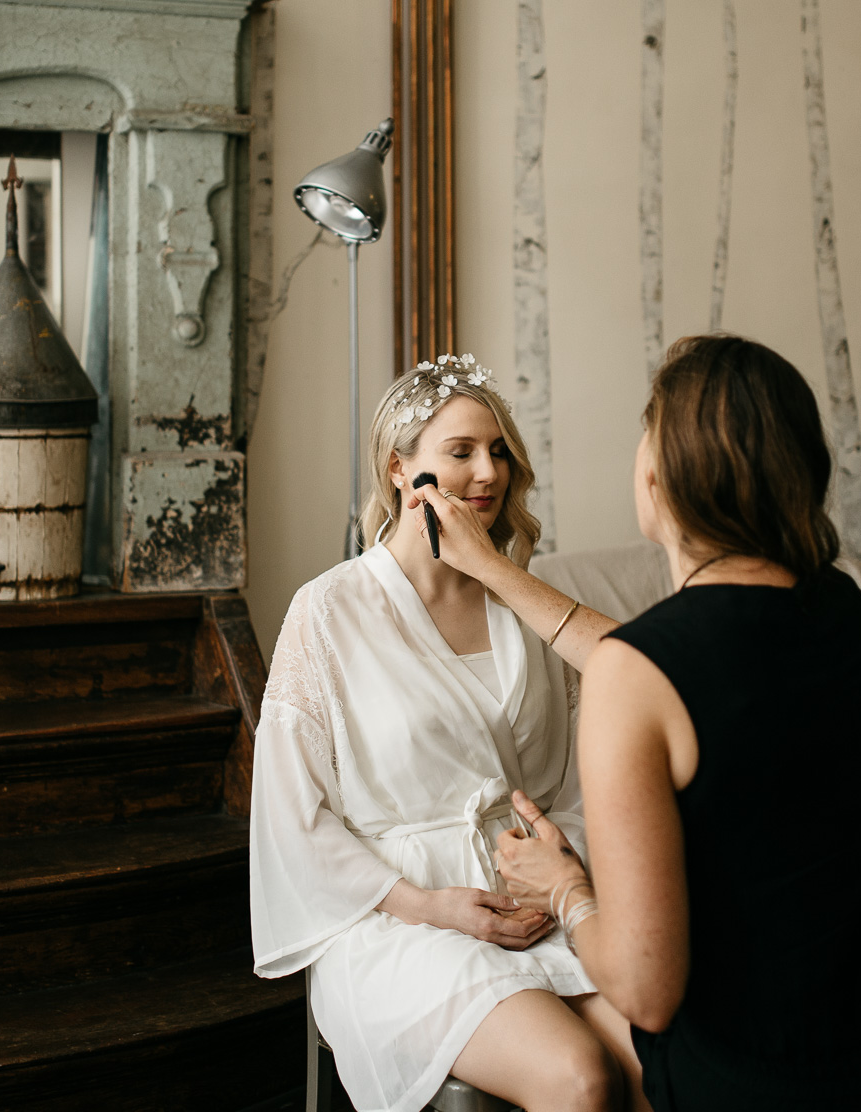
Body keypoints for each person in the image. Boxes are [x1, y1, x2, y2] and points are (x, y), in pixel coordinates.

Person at [413, 334, 861, 1111]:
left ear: (657, 479)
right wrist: (495, 570)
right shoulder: (848, 613)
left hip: (799, 1082)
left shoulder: (643, 675)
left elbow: (646, 993)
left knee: (573, 1057)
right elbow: (657, 659)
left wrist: (567, 888)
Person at [249, 353, 647, 1112]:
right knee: (580, 1078)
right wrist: (431, 905)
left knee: (655, 1058)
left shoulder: (523, 603)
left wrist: (561, 882)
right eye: (460, 452)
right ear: (401, 470)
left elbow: (577, 783)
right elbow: (292, 821)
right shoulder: (329, 612)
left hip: (535, 904)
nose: (488, 472)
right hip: (401, 923)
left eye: (497, 451)